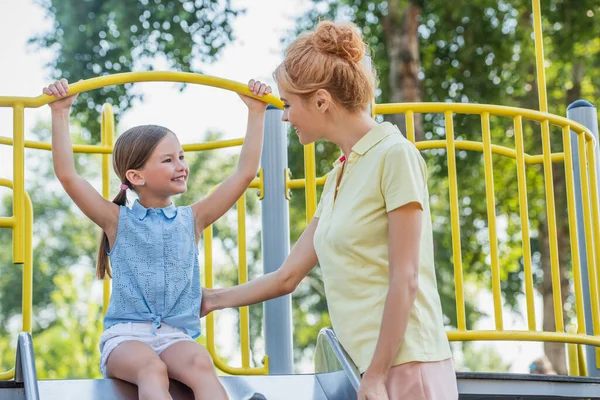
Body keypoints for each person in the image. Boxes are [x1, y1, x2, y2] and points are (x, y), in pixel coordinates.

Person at [201, 21, 458, 400]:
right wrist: (210, 299)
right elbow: (288, 276)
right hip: (364, 369)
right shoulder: (340, 172)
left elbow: (406, 279)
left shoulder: (394, 155)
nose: (284, 117)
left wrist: (377, 374)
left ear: (322, 101)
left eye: (288, 104)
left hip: (405, 367)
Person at [43, 77, 271, 400]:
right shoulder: (116, 220)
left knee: (201, 364)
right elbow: (68, 175)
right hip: (125, 338)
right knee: (153, 370)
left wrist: (256, 112)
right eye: (168, 160)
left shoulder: (192, 218)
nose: (181, 166)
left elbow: (243, 175)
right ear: (136, 177)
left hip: (175, 336)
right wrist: (60, 113)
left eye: (181, 157)